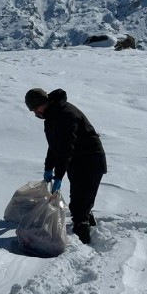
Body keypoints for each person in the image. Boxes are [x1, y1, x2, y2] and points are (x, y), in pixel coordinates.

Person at [24, 87, 107, 244]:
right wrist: (48, 167)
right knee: (80, 199)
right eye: (32, 110)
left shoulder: (66, 115)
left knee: (80, 202)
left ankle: (82, 240)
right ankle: (86, 222)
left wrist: (58, 176)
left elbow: (66, 147)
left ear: (43, 102)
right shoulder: (52, 116)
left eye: (35, 108)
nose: (35, 113)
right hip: (77, 161)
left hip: (90, 159)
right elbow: (54, 146)